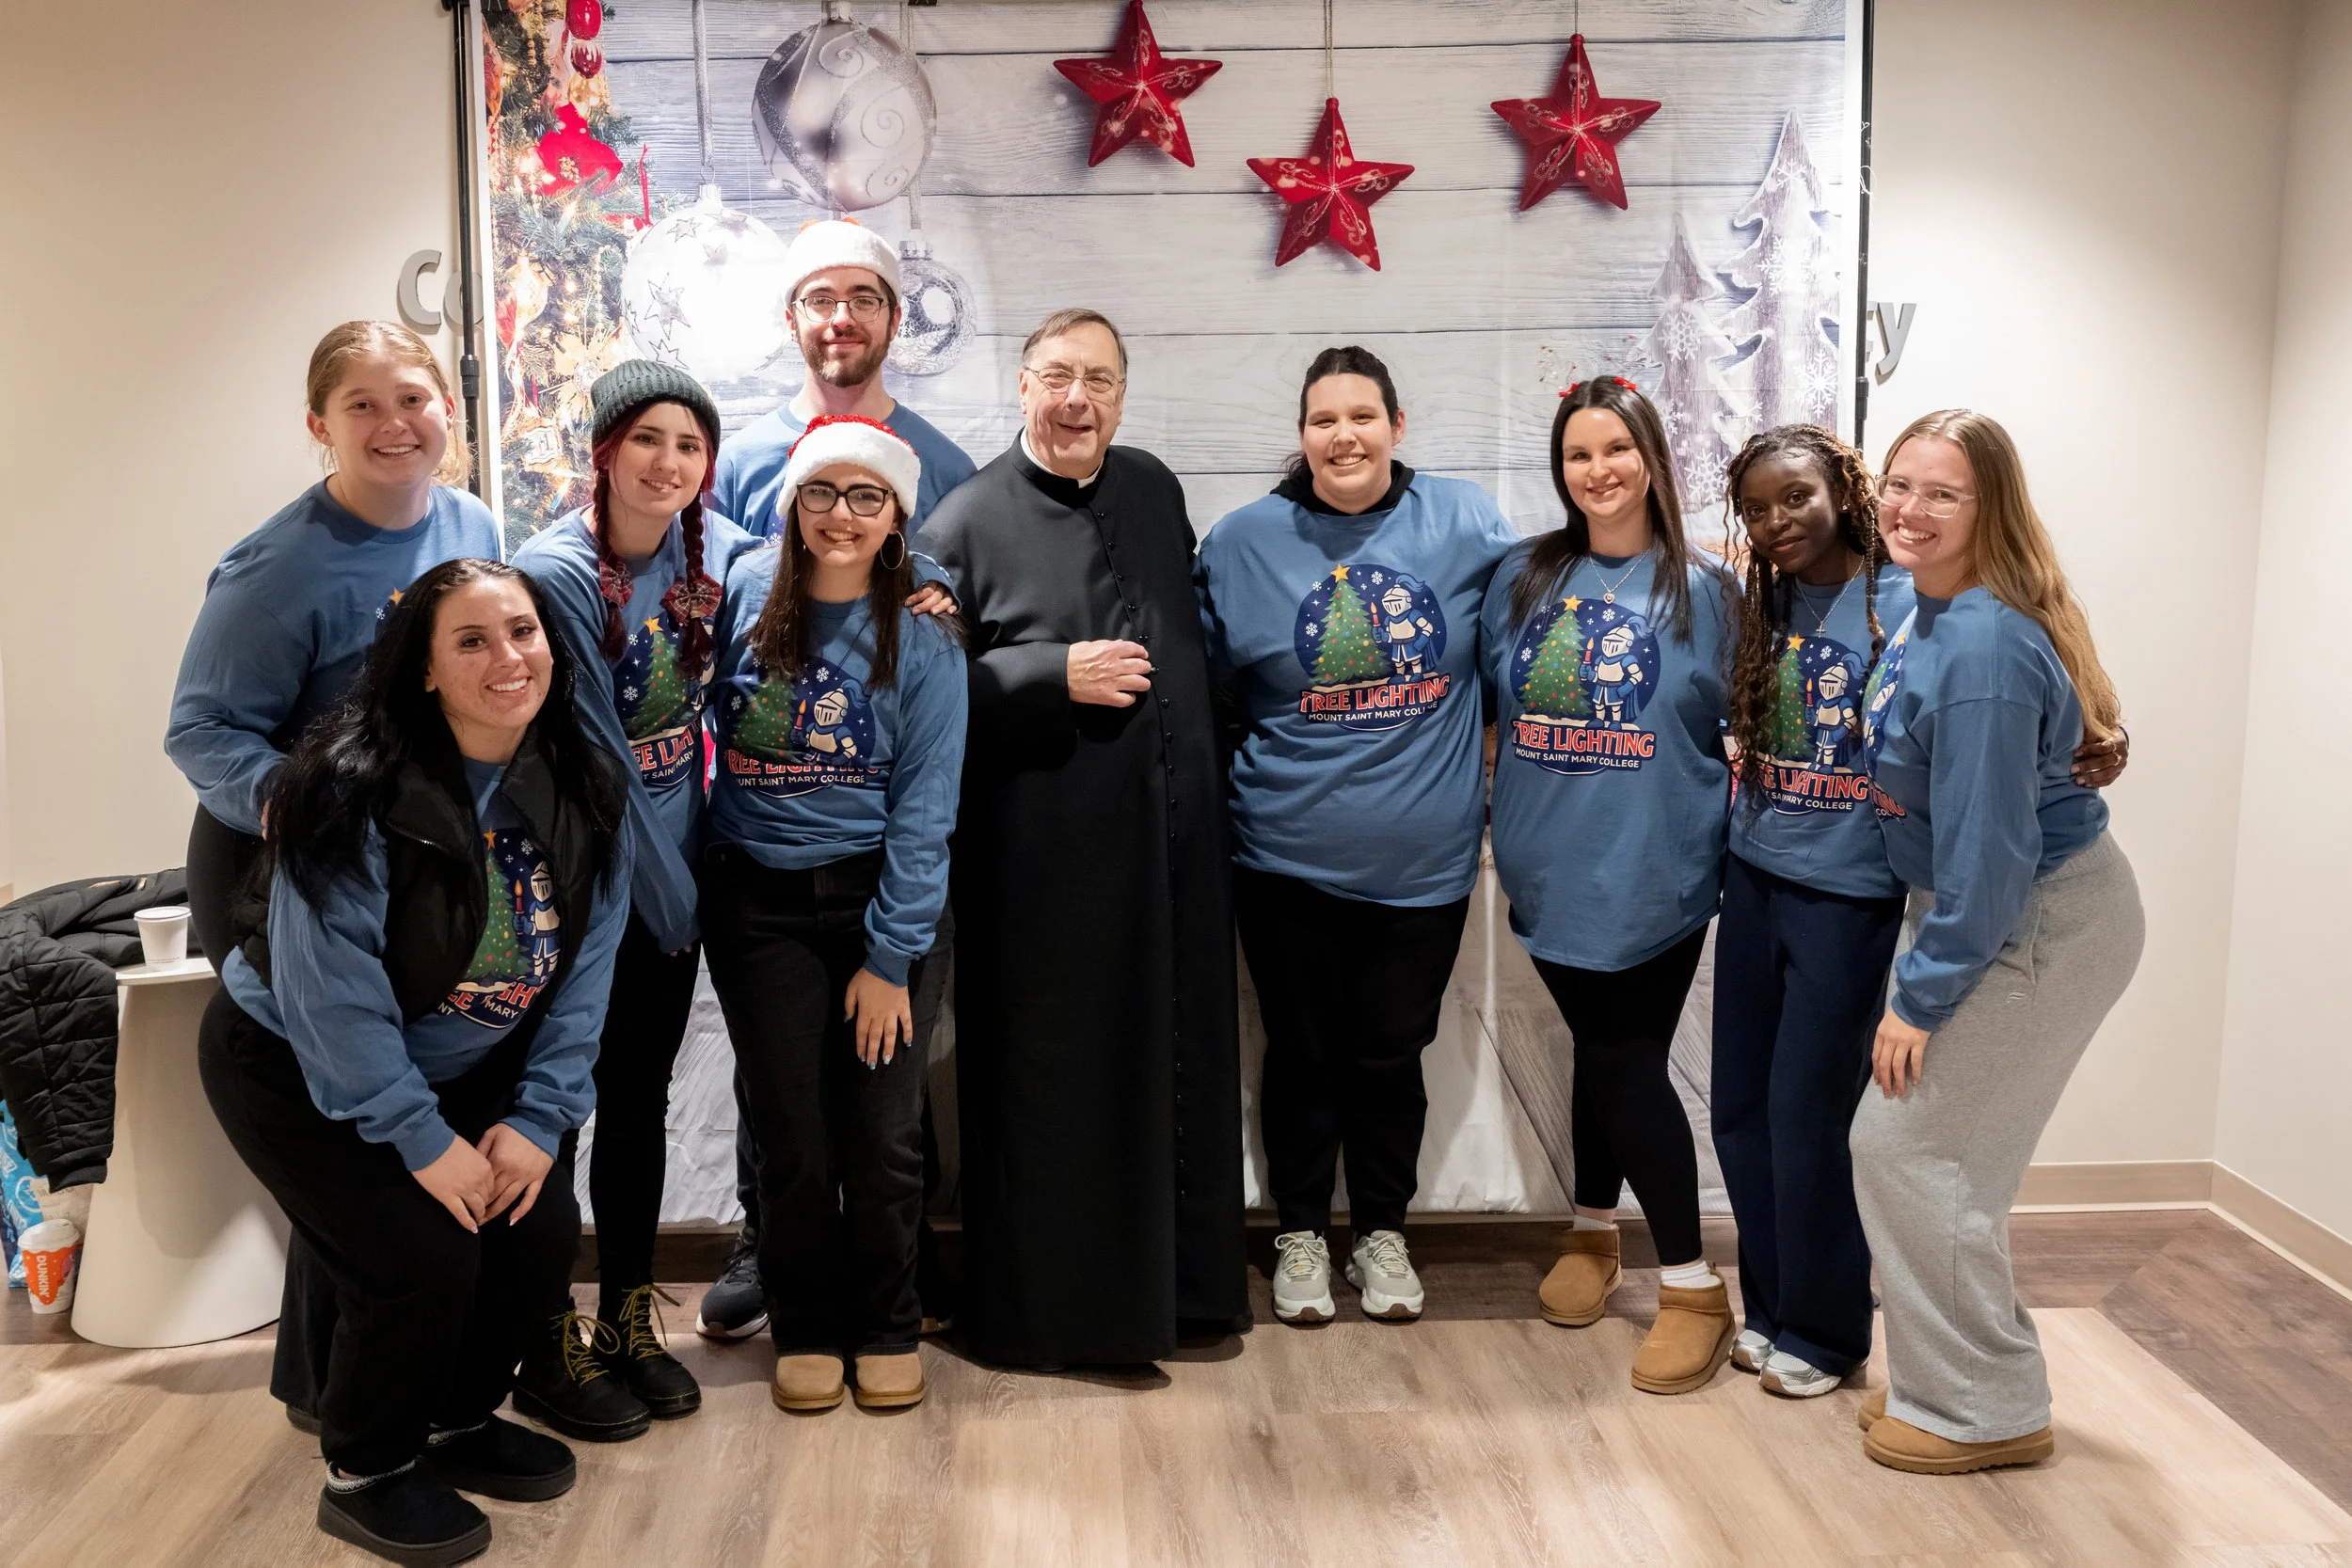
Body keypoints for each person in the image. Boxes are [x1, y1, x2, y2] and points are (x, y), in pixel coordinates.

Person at [198, 559, 630, 1565]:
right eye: (471, 641)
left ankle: (454, 1418)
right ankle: (370, 1467)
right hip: (291, 1063)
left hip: (462, 1062)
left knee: (535, 1230)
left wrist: (538, 1119)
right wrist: (422, 1140)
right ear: (424, 670)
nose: (507, 658)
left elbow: (585, 973)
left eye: (521, 632)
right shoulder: (349, 790)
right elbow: (331, 1001)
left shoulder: (582, 786)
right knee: (418, 1253)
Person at [1712, 425, 2132, 1404]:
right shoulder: (1758, 600)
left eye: (1797, 498)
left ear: (1842, 495)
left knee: (1812, 1118)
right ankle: (1770, 1306)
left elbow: (2031, 707)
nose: (1777, 521)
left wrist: (2106, 732)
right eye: (1756, 508)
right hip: (1756, 876)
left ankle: (1826, 1324)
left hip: (1854, 895)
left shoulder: (1916, 595)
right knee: (1741, 1110)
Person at [166, 319, 502, 1433]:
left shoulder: (468, 523)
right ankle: (358, 1410)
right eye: (362, 405)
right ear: (320, 426)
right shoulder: (278, 568)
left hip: (393, 859)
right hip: (275, 861)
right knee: (343, 1126)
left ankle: (333, 1381)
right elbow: (201, 729)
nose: (394, 423)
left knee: (383, 1116)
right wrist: (305, 808)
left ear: (448, 411)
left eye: (413, 398)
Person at [920, 309, 1248, 1367]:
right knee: (1055, 1085)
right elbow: (925, 694)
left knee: (1179, 1067)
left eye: (1098, 380)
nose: (1076, 399)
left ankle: (1184, 1294)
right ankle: (1054, 1317)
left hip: (1174, 858)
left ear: (1121, 393)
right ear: (1020, 386)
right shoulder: (962, 518)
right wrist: (1045, 672)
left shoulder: (1152, 485)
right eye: (1056, 376)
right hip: (1043, 874)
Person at [1195, 346, 1518, 1325]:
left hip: (1424, 863)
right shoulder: (1242, 540)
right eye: (1323, 419)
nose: (1343, 435)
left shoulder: (1465, 521)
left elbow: (1512, 663)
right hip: (1283, 856)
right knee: (1299, 1048)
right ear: (1301, 435)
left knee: (1388, 1051)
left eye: (1362, 416)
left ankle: (1381, 1229)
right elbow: (1208, 694)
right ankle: (1298, 1230)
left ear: (1396, 425)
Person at [1850, 410, 2143, 1475]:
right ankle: (1945, 1380)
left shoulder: (1977, 647)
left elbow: (1988, 860)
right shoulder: (1916, 601)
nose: (1908, 510)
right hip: (1981, 909)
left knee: (1915, 1152)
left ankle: (1986, 1407)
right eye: (1896, 484)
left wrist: (1916, 997)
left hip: (2035, 922)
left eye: (1942, 494)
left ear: (1990, 512)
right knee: (1930, 1155)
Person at [703, 218, 977, 1338]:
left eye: (861, 298)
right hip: (759, 865)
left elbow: (959, 588)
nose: (840, 319)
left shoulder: (943, 465)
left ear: (891, 320)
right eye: (819, 299)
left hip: (876, 860)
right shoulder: (742, 463)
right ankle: (774, 1249)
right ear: (792, 319)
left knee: (881, 1110)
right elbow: (706, 604)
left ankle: (886, 1289)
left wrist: (939, 600)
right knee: (782, 1101)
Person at [1481, 376, 1740, 1395]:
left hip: (1660, 870)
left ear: (1650, 459)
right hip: (1549, 865)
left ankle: (1690, 1285)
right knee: (1601, 1052)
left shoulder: (1706, 589)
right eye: (1578, 454)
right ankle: (1592, 1233)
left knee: (1625, 1060)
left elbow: (1752, 713)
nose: (1598, 470)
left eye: (1615, 449)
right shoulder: (1521, 578)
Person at [510, 359, 754, 1434]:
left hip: (667, 891)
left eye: (688, 444)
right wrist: (673, 903)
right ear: (604, 451)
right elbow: (599, 765)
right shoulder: (556, 572)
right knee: (555, 1112)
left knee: (639, 1106)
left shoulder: (703, 557)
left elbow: (825, 548)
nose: (668, 461)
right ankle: (542, 1330)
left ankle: (625, 1318)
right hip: (578, 891)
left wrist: (921, 571)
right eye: (646, 438)